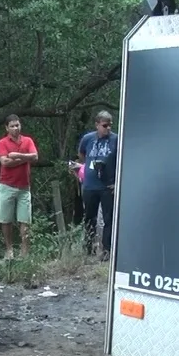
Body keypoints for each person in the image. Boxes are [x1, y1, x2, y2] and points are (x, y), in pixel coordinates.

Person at [0, 114, 38, 259]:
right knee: (6, 219)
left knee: (25, 220)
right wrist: (26, 158)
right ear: (7, 128)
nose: (15, 128)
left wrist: (15, 155)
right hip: (7, 185)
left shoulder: (28, 140)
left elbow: (36, 157)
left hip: (24, 187)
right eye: (12, 126)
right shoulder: (2, 143)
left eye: (17, 125)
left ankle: (24, 253)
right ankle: (9, 250)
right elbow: (5, 162)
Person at [76, 110, 117, 261]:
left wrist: (116, 182)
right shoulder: (88, 139)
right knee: (89, 217)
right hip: (90, 184)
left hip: (107, 186)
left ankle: (106, 249)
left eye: (110, 125)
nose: (108, 128)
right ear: (97, 125)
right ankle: (88, 248)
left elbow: (121, 161)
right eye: (105, 125)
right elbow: (81, 154)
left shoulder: (115, 140)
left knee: (108, 218)